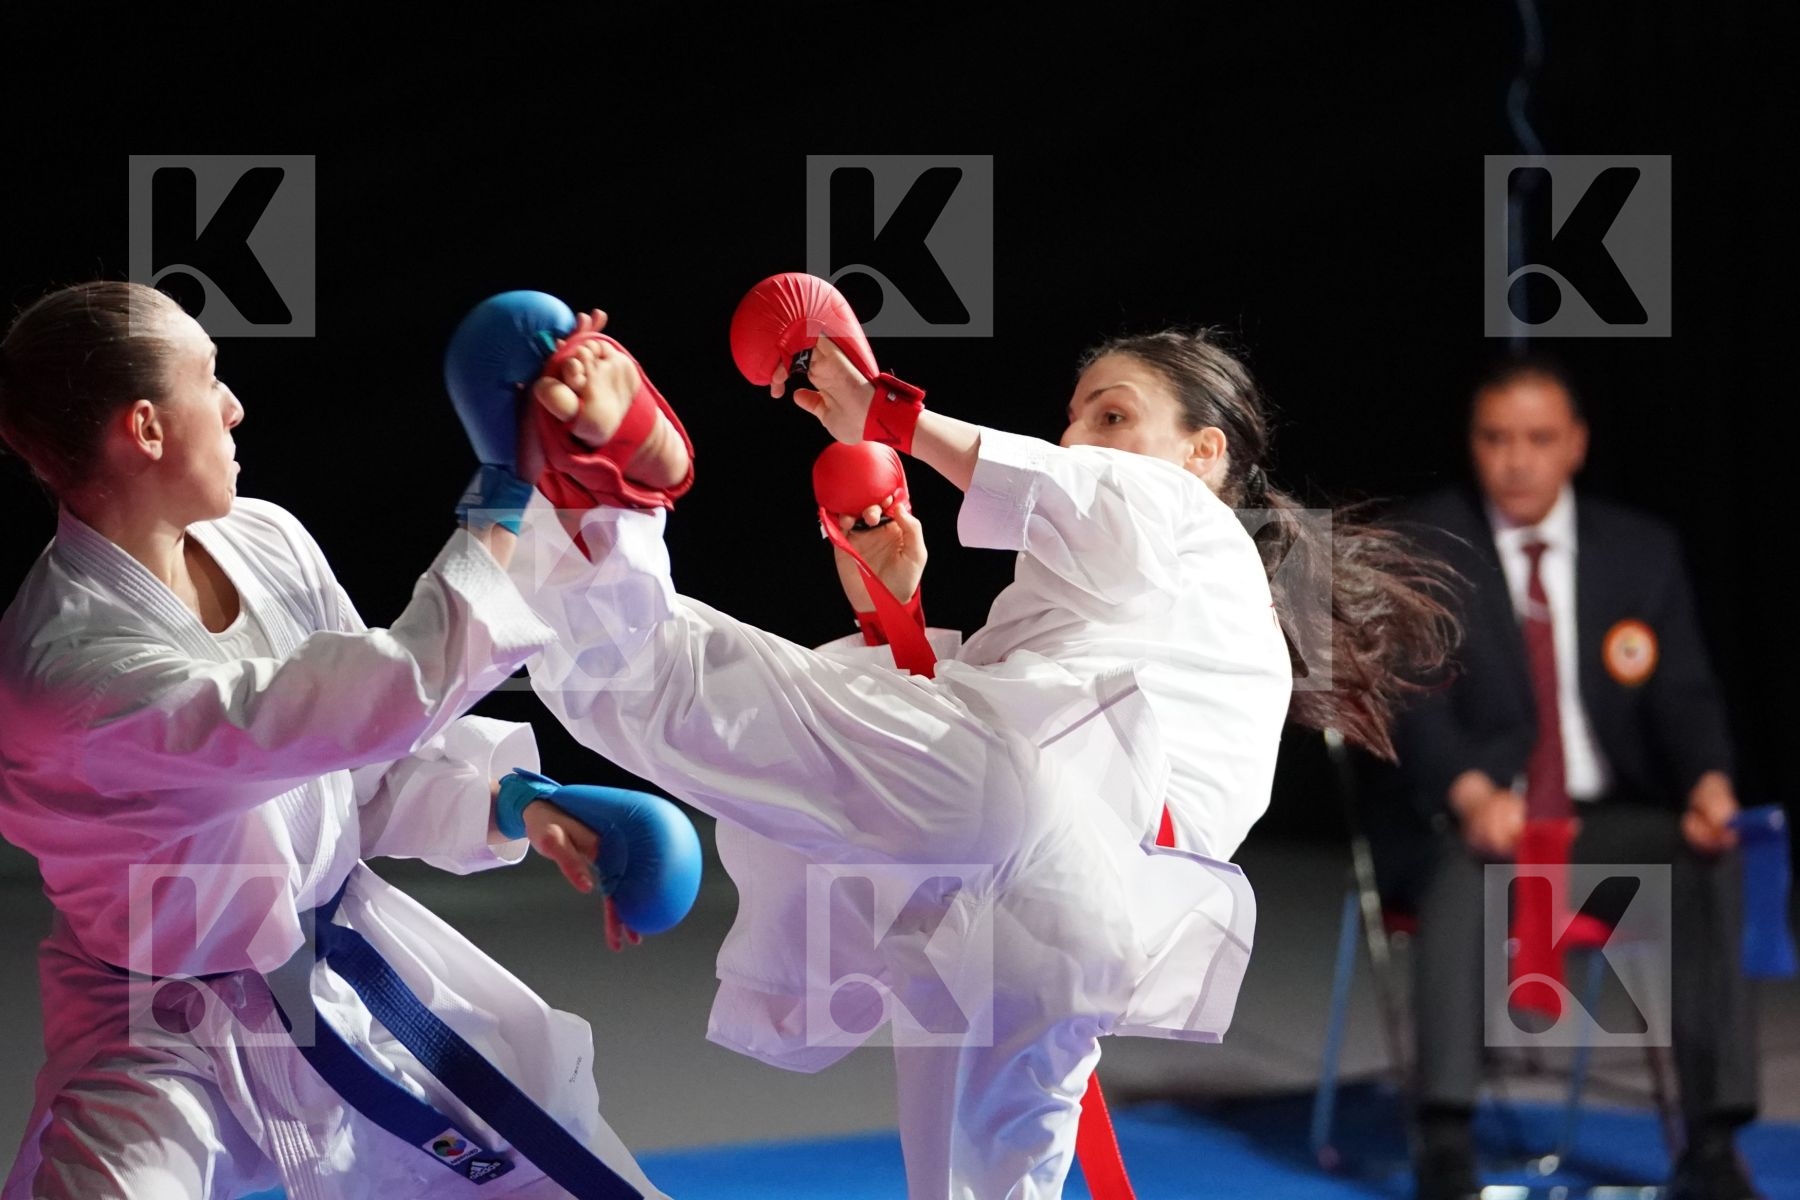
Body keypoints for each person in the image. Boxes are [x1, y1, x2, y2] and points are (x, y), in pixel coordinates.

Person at [499, 277, 1458, 1199]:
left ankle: (611, 478)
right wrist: (896, 610)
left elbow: (1066, 537)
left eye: (1114, 416)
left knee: (666, 683)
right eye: (1076, 416)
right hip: (1061, 918)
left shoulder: (1188, 520)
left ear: (1205, 452)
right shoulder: (1132, 606)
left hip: (1037, 831)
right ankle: (595, 510)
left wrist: (885, 415)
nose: (1082, 436)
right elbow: (967, 737)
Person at [0, 281, 681, 1199]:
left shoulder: (267, 538)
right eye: (211, 378)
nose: (235, 405)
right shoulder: (70, 674)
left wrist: (510, 800)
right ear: (147, 429)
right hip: (159, 1038)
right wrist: (503, 489)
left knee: (580, 1177)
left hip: (349, 981)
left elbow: (357, 763)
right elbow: (377, 694)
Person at [1365, 354, 1761, 1200]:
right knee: (1461, 873)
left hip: (1596, 823)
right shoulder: (1425, 543)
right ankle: (1445, 1137)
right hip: (1474, 822)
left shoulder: (1640, 552)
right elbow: (1407, 702)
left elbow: (1684, 692)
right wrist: (1468, 791)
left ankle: (1715, 1143)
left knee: (1707, 859)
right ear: (1472, 444)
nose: (1517, 460)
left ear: (1575, 444)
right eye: (1496, 439)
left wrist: (1708, 783)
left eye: (1539, 439)